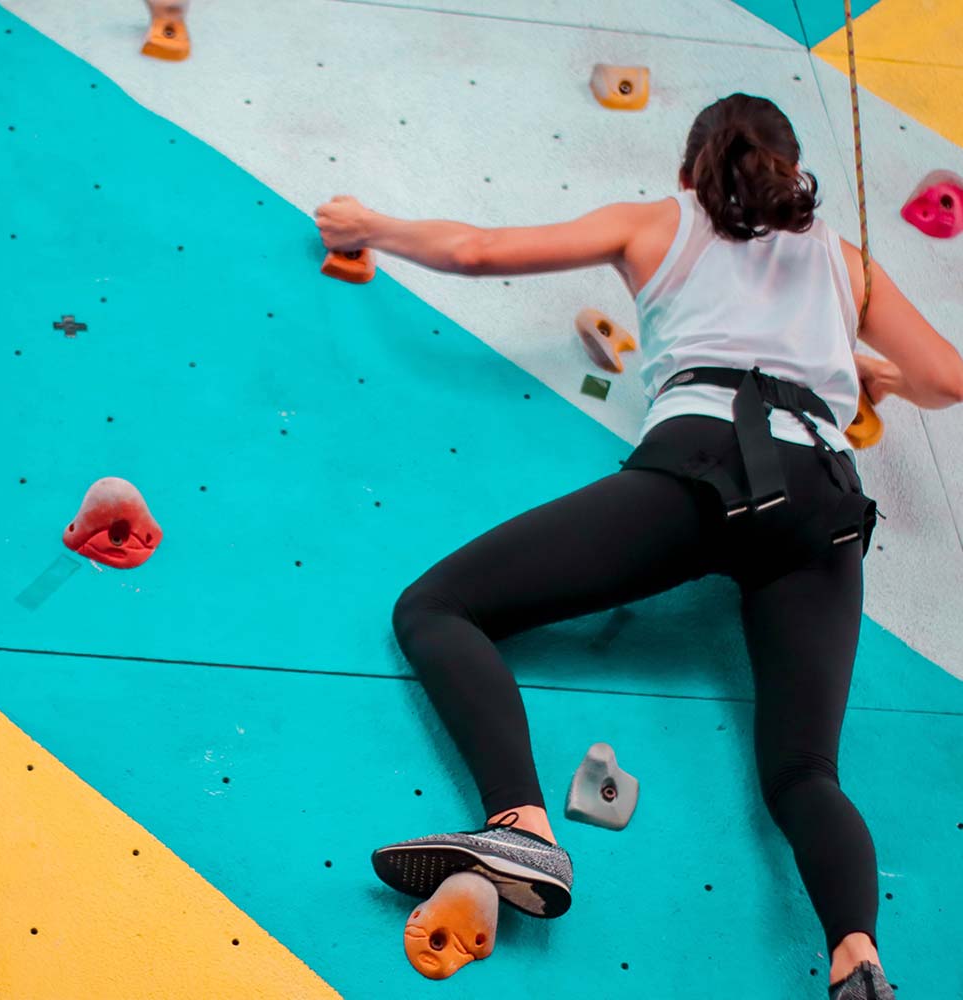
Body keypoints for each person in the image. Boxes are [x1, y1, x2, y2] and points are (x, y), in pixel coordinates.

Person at [314, 92, 963, 998]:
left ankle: (521, 828)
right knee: (806, 773)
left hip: (703, 474)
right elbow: (944, 379)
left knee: (437, 608)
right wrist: (860, 363)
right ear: (787, 173)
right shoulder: (845, 263)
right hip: (825, 506)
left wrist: (371, 225)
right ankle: (858, 958)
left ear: (690, 171)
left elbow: (476, 252)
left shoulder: (662, 221)